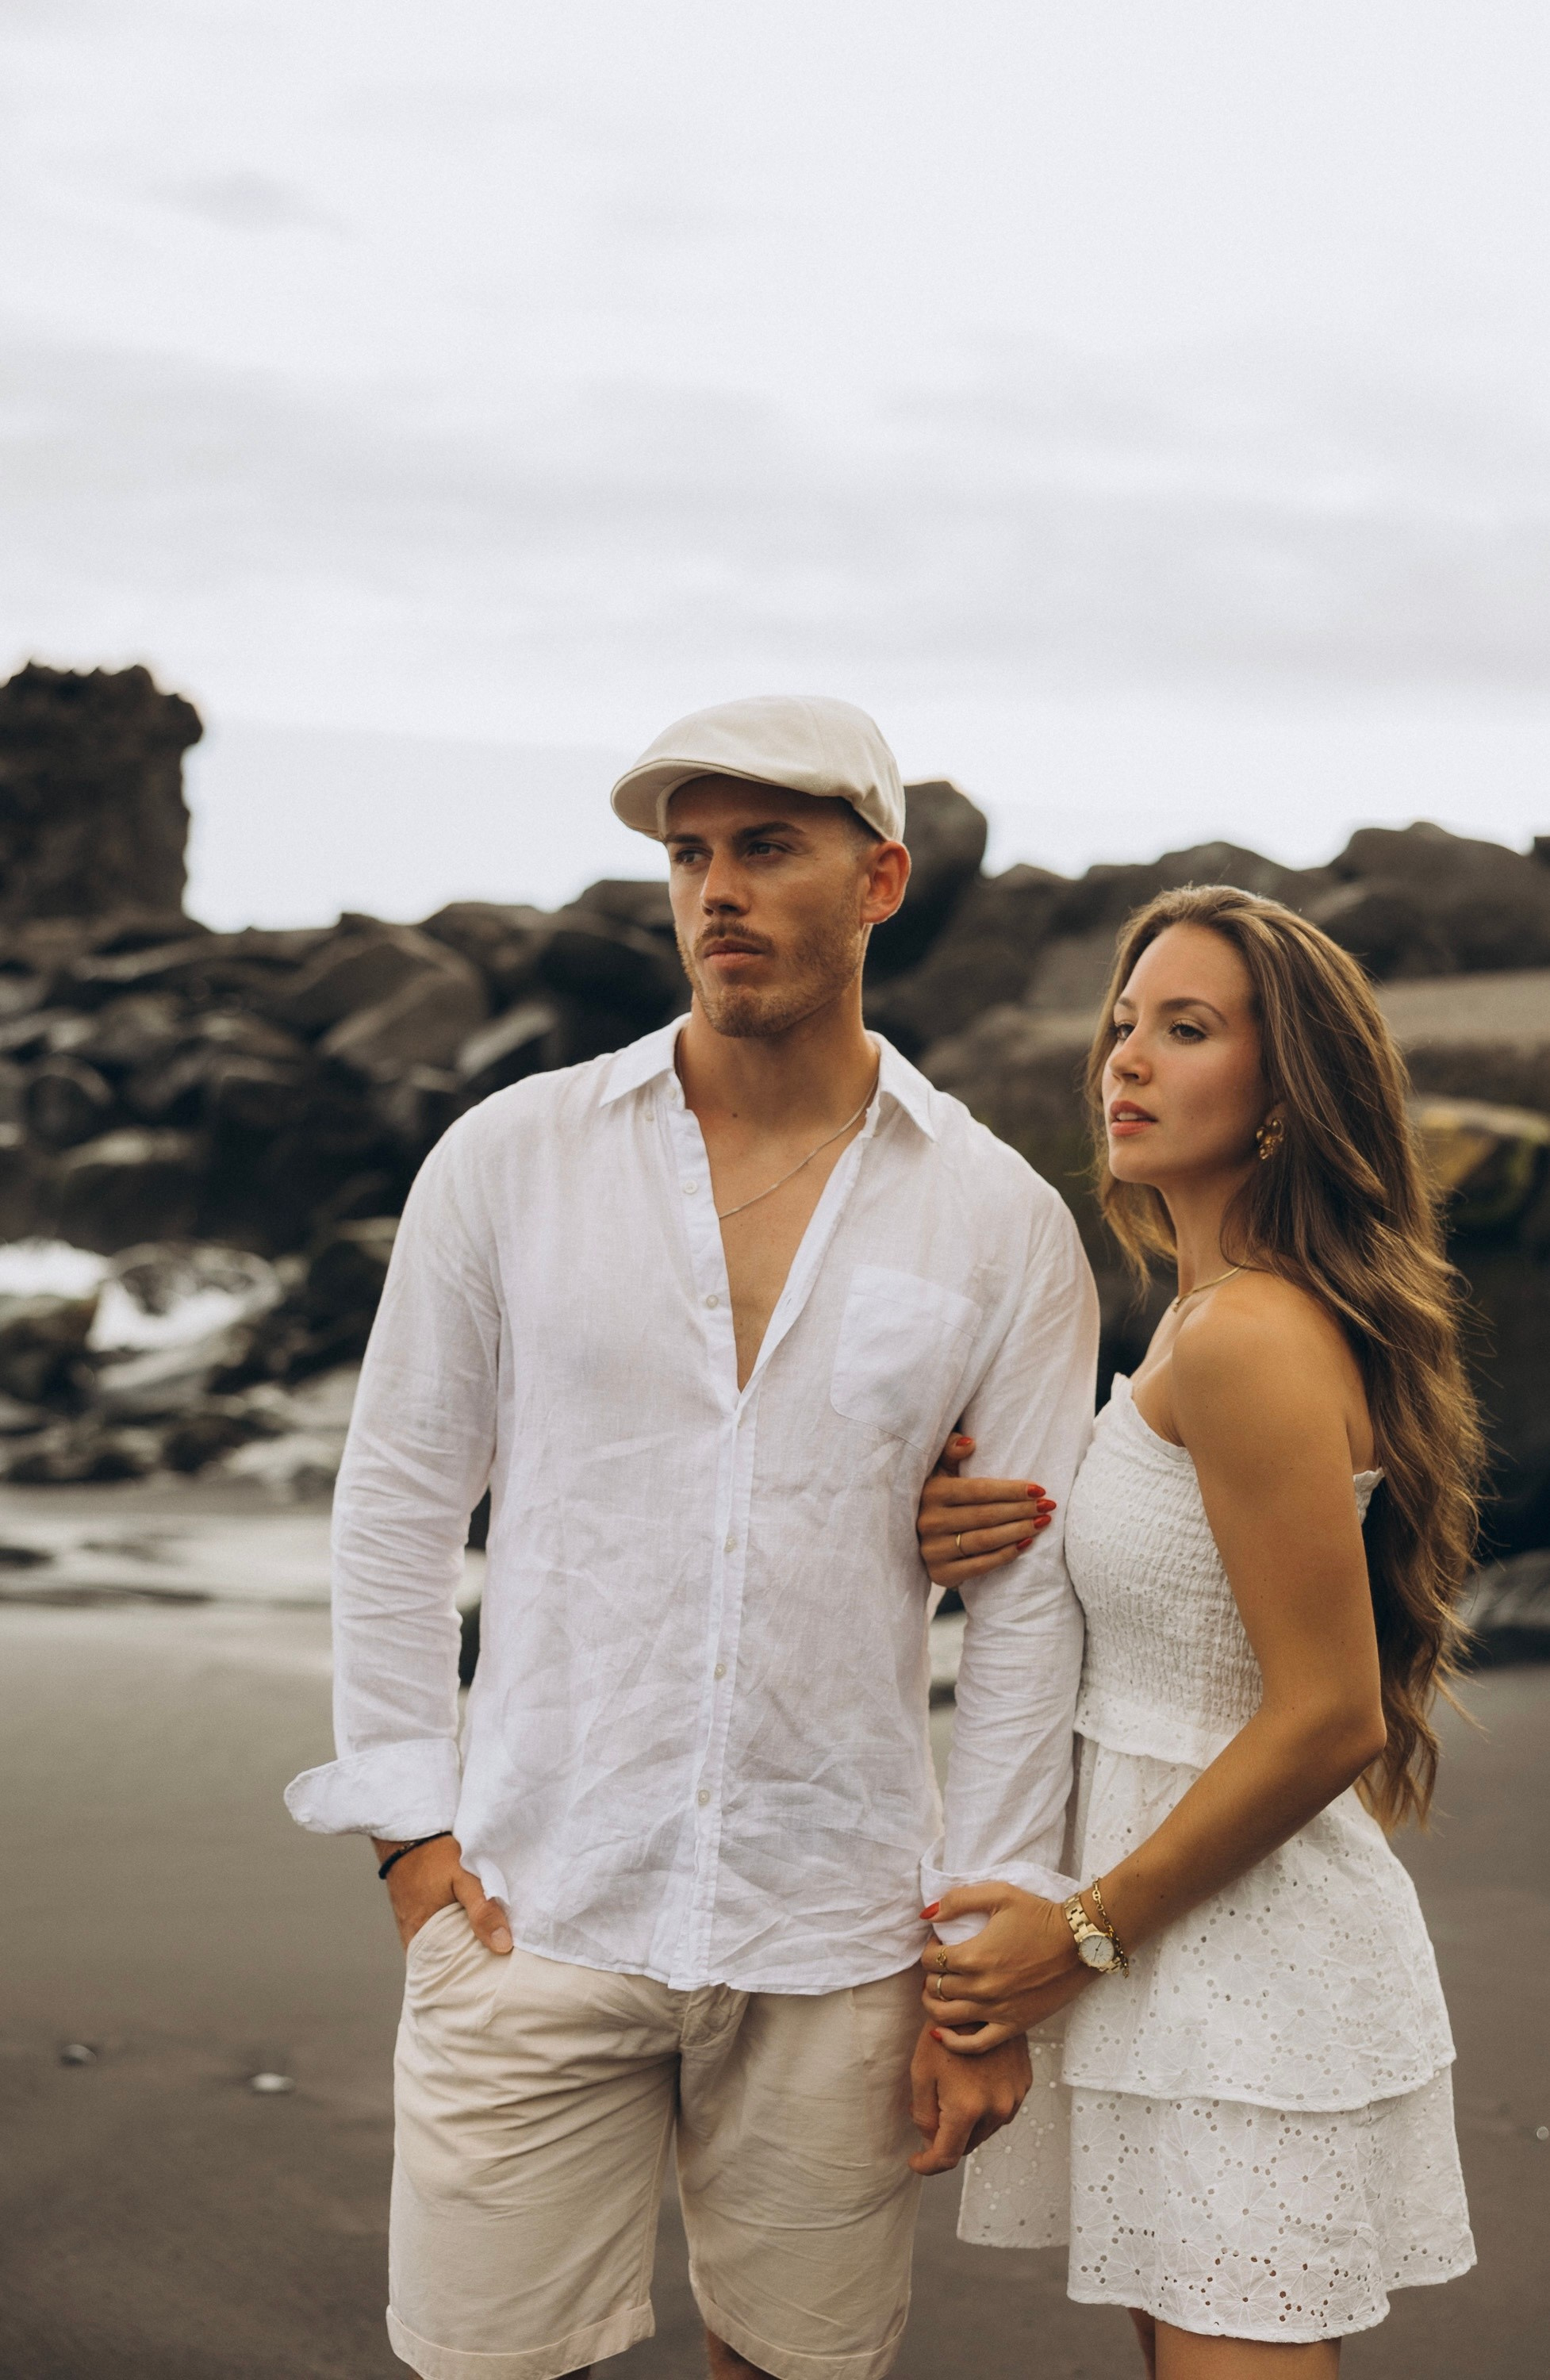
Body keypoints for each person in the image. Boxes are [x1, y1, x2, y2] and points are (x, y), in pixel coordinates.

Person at [286, 693, 1099, 2380]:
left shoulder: (999, 1219)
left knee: (794, 2370)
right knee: (486, 2362)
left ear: (879, 881)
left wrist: (987, 1936)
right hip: (532, 1896)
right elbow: (396, 1500)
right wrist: (407, 1844)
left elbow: (1021, 1604)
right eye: (688, 853)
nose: (715, 889)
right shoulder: (507, 1161)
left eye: (765, 848)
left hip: (836, 1928)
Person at [915, 884, 1479, 2378]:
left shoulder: (1244, 1338)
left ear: (1283, 1091)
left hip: (1230, 1969)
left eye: (1185, 1028)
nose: (1125, 1061)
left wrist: (1081, 1933)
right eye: (1120, 1027)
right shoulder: (1193, 1315)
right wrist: (957, 1531)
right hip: (1187, 1957)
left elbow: (1328, 1713)